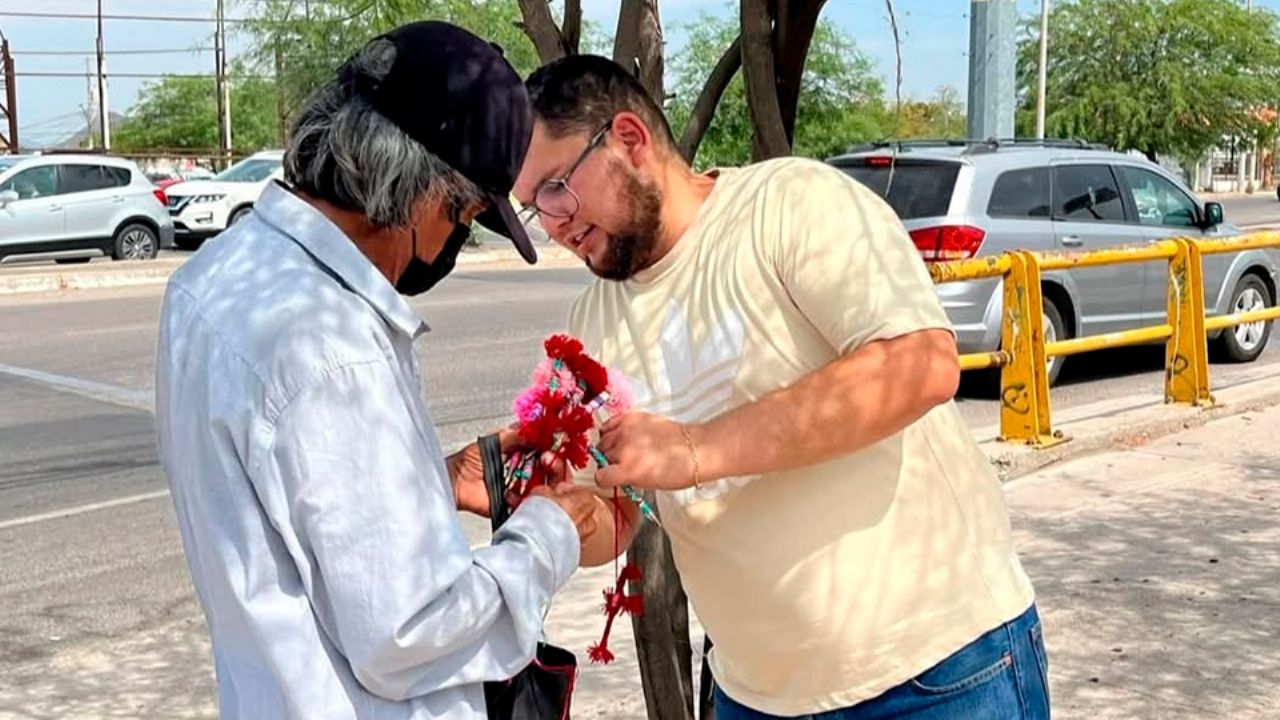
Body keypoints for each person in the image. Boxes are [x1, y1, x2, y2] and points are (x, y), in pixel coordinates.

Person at [513, 55, 1050, 719]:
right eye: (535, 207)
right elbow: (620, 519)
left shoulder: (789, 204)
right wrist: (550, 503)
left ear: (629, 139)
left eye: (557, 187)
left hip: (935, 671)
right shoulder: (591, 322)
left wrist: (695, 448)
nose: (554, 221)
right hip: (754, 696)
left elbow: (921, 364)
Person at [155, 23, 598, 720]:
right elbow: (411, 634)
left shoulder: (217, 277)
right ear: (428, 195)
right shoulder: (332, 349)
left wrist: (426, 483)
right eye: (467, 219)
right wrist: (553, 527)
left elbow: (287, 512)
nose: (452, 245)